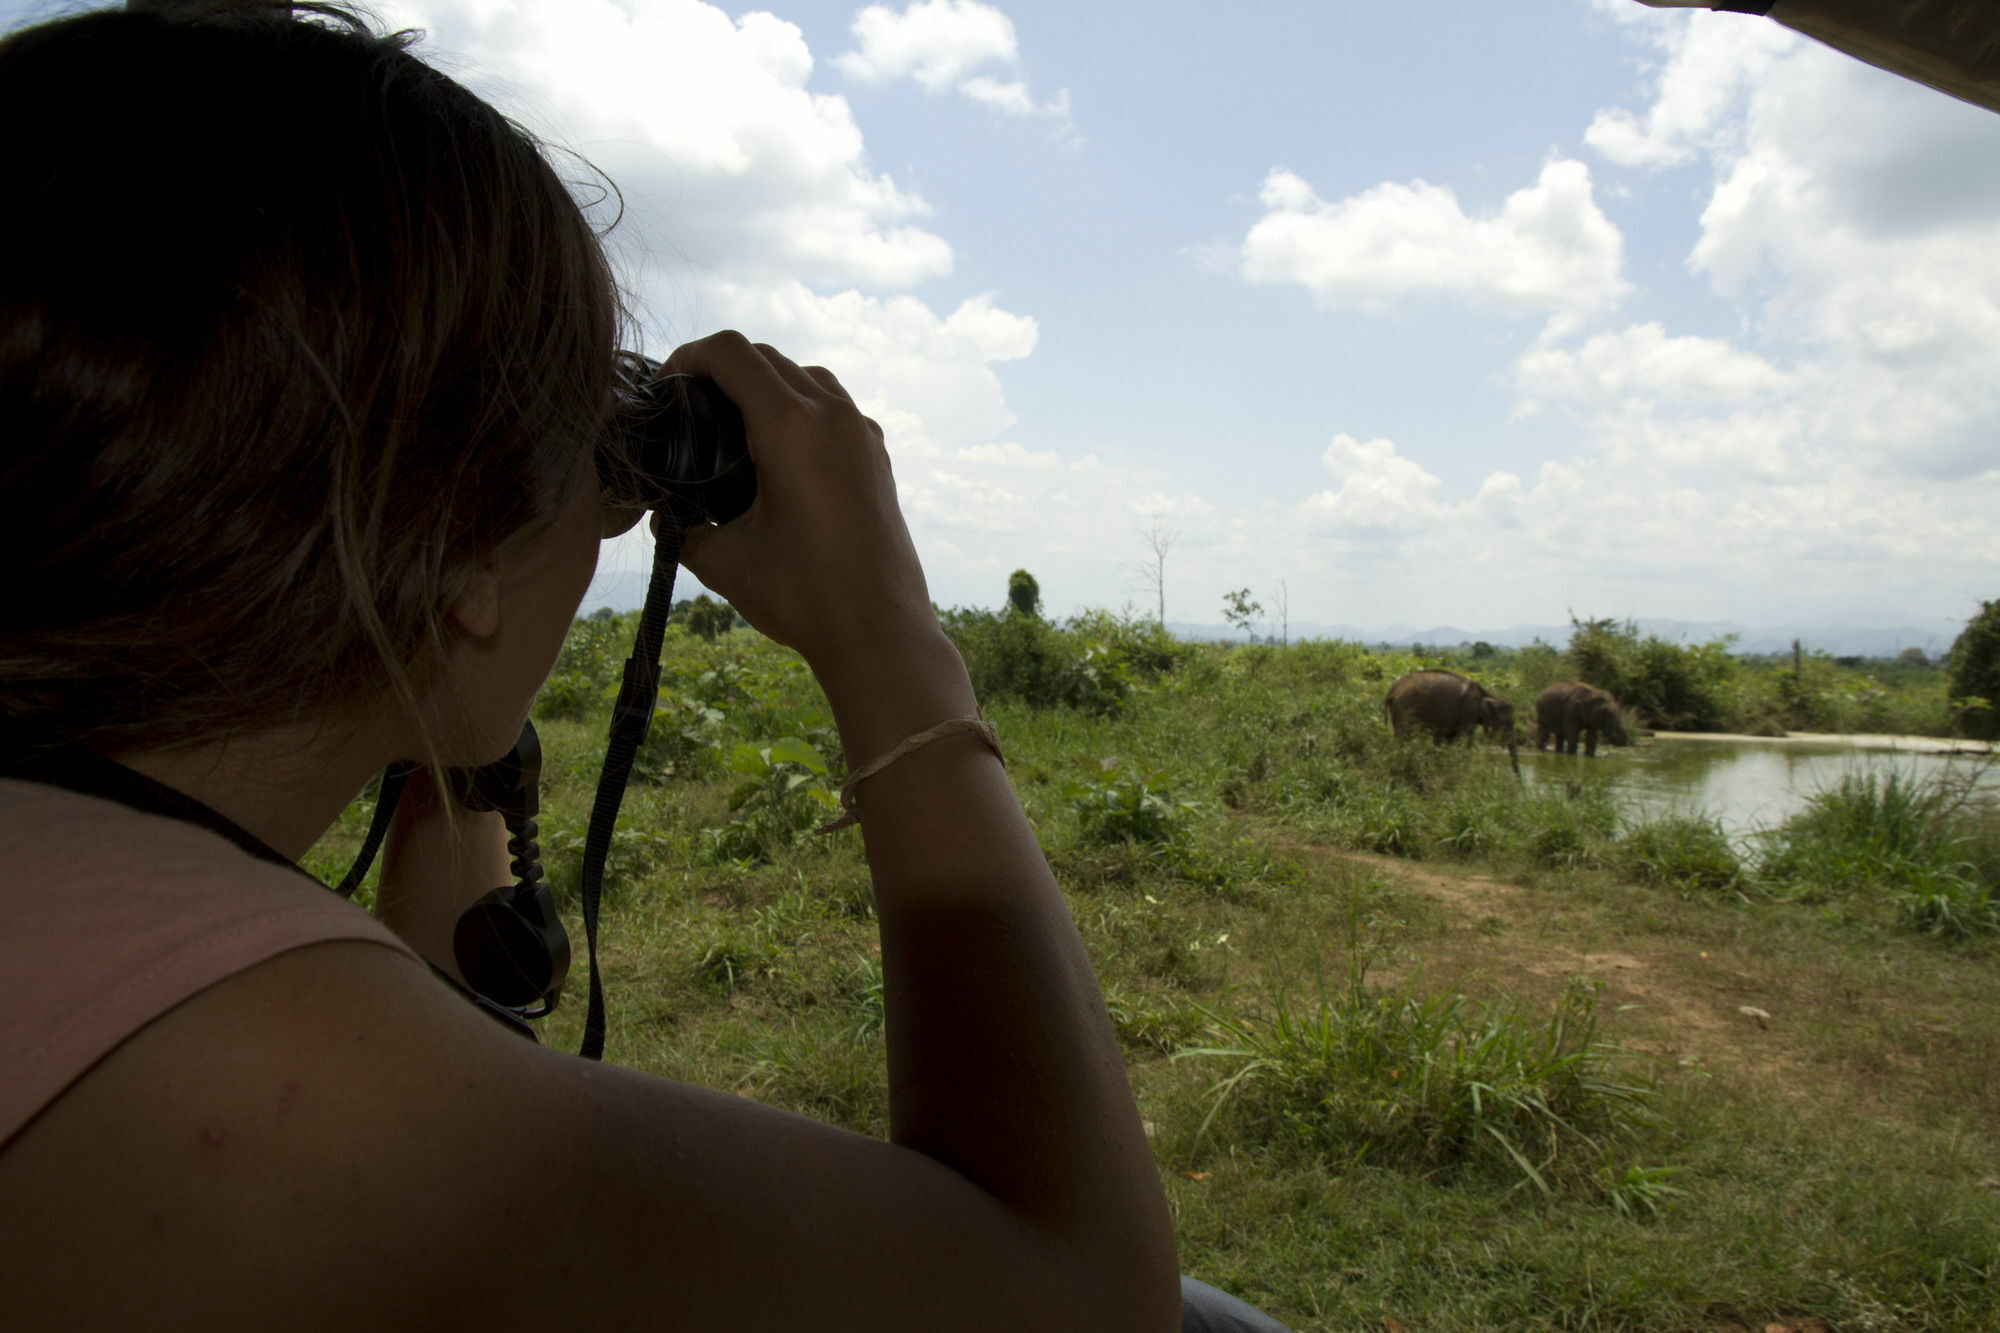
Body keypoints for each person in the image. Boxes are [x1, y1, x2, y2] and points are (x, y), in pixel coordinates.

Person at [0, 4, 1290, 1328]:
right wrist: (893, 639)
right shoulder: (271, 1077)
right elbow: (1082, 1287)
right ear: (457, 548)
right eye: (581, 437)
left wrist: (442, 681)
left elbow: (430, 1024)